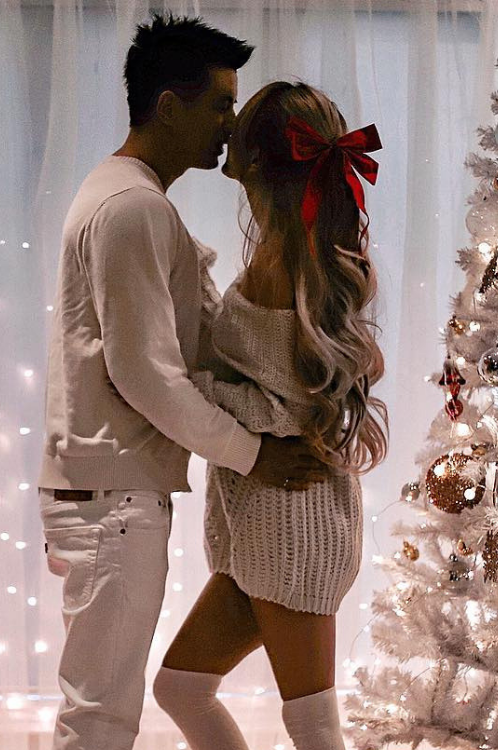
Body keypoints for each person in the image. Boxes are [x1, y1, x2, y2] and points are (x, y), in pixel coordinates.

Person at [37, 15, 328, 750]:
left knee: (114, 705)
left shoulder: (130, 197)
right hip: (112, 501)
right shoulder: (132, 207)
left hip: (109, 495)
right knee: (100, 717)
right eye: (221, 104)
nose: (231, 125)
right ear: (169, 106)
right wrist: (255, 455)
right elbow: (147, 375)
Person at [153, 81, 389, 750]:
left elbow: (290, 409)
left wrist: (195, 389)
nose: (224, 127)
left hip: (295, 526)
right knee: (181, 689)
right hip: (264, 527)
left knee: (312, 724)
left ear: (256, 158)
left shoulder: (288, 261)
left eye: (237, 121)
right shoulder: (291, 248)